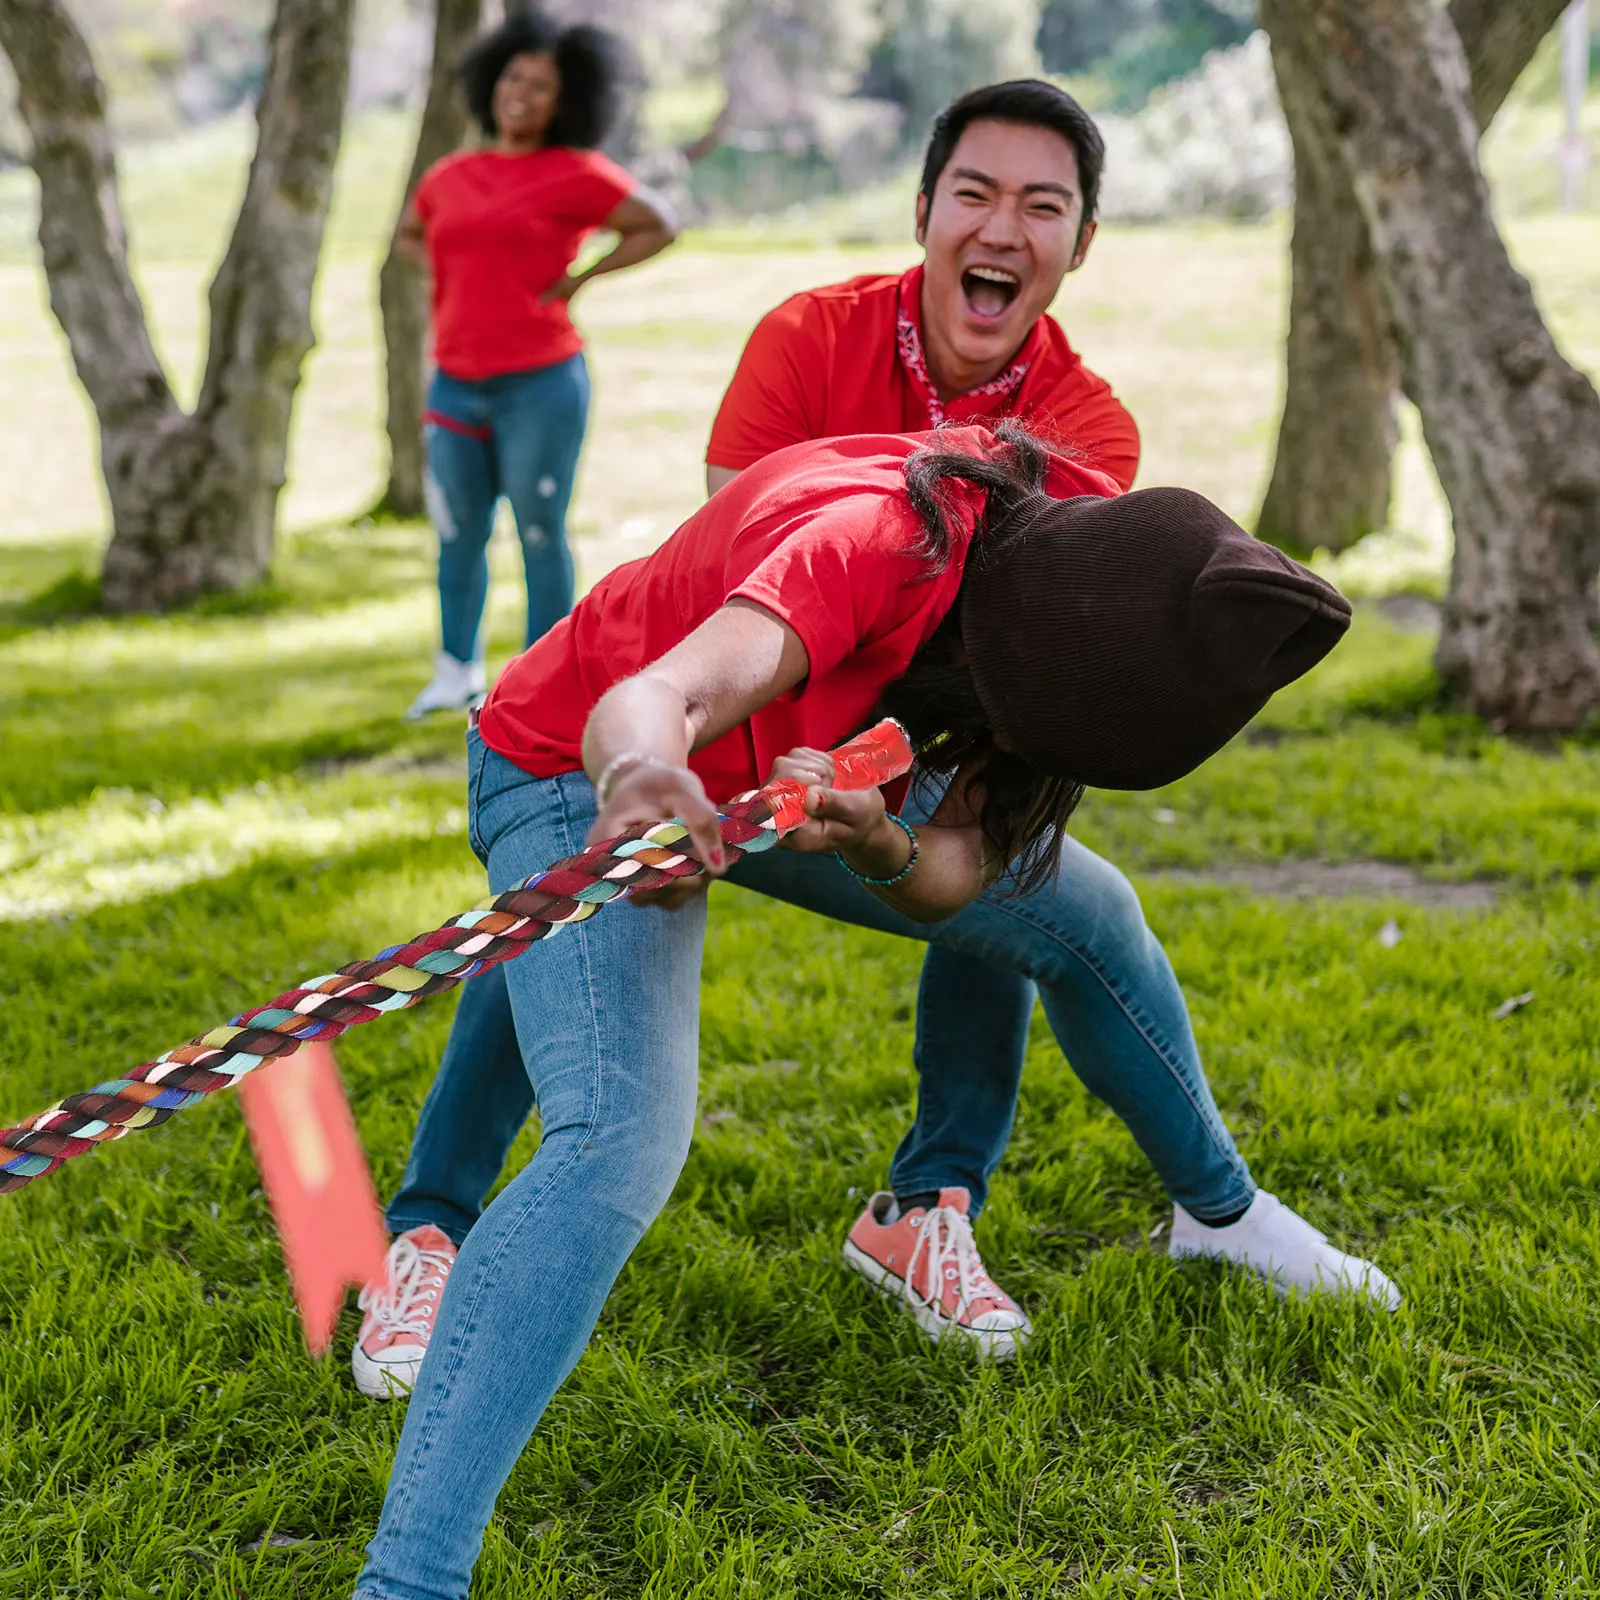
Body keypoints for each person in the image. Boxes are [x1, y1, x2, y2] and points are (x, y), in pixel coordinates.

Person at [353, 81, 1402, 1399]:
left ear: (1081, 244)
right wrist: (673, 759)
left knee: (1058, 897)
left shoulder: (1086, 431)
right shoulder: (808, 337)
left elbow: (1020, 680)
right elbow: (741, 560)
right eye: (974, 192)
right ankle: (427, 1234)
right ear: (923, 213)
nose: (1002, 226)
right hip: (697, 718)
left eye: (1043, 204)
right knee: (565, 884)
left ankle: (1002, 1208)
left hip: (878, 760)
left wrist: (884, 804)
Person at [353, 421, 1371, 1599]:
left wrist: (878, 833)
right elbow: (659, 693)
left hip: (771, 786)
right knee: (618, 1141)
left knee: (1083, 908)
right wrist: (643, 783)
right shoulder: (876, 537)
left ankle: (1221, 1210)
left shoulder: (1093, 581)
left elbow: (961, 867)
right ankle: (409, 1582)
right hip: (577, 766)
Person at [399, 12, 677, 720]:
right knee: (457, 533)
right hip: (455, 385)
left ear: (567, 101)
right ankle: (454, 668)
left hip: (541, 384)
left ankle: (541, 680)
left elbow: (659, 223)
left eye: (541, 86)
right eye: (514, 77)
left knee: (538, 530)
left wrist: (583, 276)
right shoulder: (449, 175)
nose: (520, 93)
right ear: (493, 81)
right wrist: (461, 280)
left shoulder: (575, 174)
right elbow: (411, 232)